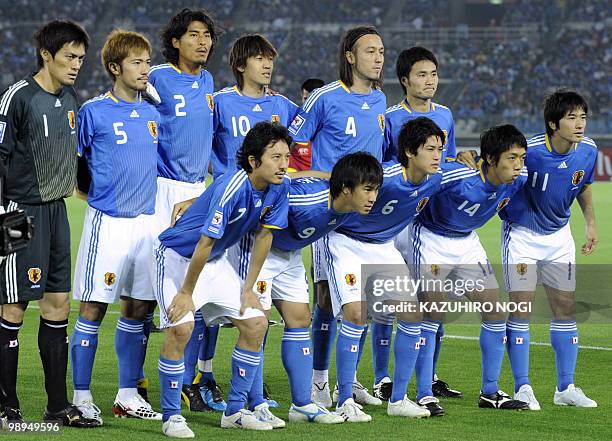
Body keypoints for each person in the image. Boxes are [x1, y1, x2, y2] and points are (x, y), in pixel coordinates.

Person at [153, 122, 291, 436]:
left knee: (255, 323)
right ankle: (172, 416)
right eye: (276, 157)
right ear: (254, 161)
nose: (284, 164)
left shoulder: (280, 186)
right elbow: (205, 241)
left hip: (213, 263)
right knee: (181, 327)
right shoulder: (233, 184)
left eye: (286, 156)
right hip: (176, 257)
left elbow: (264, 236)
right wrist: (187, 293)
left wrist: (248, 288)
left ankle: (235, 412)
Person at [227, 152, 382, 424]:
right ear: (346, 189)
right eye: (367, 190)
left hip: (290, 254)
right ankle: (256, 405)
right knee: (257, 323)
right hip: (256, 249)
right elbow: (265, 190)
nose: (373, 197)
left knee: (300, 319)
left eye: (376, 190)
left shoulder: (347, 206)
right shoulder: (305, 200)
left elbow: (312, 178)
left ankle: (301, 405)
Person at [0, 20, 97, 427]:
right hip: (19, 213)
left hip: (57, 213)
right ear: (46, 56)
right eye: (69, 57)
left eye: (80, 58)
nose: (76, 65)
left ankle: (57, 408)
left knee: (58, 306)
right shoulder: (17, 98)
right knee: (13, 304)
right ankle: (6, 406)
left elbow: (74, 160)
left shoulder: (71, 98)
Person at [394, 124, 531, 413]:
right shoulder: (455, 175)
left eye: (522, 157)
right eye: (512, 158)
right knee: (433, 312)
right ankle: (423, 393)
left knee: (495, 311)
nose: (519, 165)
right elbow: (415, 182)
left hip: (467, 243)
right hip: (431, 239)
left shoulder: (519, 178)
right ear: (491, 159)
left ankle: (490, 392)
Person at [287, 26, 386, 407]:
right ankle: (318, 380)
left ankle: (351, 378)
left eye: (381, 51)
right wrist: (309, 175)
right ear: (350, 56)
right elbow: (292, 141)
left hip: (368, 217)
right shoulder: (325, 98)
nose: (378, 58)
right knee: (328, 299)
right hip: (331, 217)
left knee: (365, 301)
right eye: (370, 51)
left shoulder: (379, 101)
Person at [321, 117, 444, 421]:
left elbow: (470, 173)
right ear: (410, 152)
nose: (438, 155)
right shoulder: (384, 176)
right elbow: (335, 183)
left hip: (383, 246)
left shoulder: (437, 177)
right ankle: (344, 399)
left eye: (440, 148)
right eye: (430, 149)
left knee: (413, 312)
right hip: (345, 242)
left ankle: (398, 399)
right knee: (356, 313)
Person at [70, 29, 162, 425]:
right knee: (93, 306)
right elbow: (74, 165)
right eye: (137, 62)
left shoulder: (153, 113)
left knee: (139, 308)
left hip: (147, 224)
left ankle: (127, 394)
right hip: (108, 224)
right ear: (114, 67)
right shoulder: (93, 111)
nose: (145, 69)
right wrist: (94, 199)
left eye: (147, 61)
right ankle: (80, 395)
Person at [374, 46, 464, 401]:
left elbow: (448, 161)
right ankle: (383, 377)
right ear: (405, 80)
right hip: (397, 220)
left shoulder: (445, 114)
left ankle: (431, 373)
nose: (430, 81)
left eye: (434, 74)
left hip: (429, 223)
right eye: (422, 75)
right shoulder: (391, 117)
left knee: (431, 301)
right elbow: (381, 164)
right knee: (386, 301)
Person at [500, 90, 598, 409]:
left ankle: (565, 387)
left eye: (582, 116)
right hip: (523, 237)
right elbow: (503, 182)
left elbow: (581, 185)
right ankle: (522, 387)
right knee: (522, 310)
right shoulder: (528, 153)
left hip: (559, 237)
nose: (580, 123)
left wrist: (591, 224)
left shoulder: (588, 151)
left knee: (565, 308)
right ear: (553, 124)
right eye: (571, 118)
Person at [148, 7, 223, 413]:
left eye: (207, 35)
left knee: (196, 292)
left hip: (198, 190)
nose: (203, 42)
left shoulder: (209, 80)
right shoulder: (158, 77)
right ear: (176, 41)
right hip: (164, 192)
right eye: (194, 35)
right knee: (149, 294)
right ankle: (137, 385)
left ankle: (191, 380)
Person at [211, 34, 299, 178]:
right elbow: (200, 144)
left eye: (270, 59)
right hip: (233, 193)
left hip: (271, 194)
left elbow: (307, 131)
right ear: (240, 65)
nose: (267, 65)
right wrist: (221, 172)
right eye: (259, 59)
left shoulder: (281, 104)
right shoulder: (220, 102)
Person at [287, 78, 325, 172]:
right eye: (306, 99)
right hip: (295, 177)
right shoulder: (294, 119)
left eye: (312, 99)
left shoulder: (332, 124)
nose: (309, 104)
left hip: (323, 178)